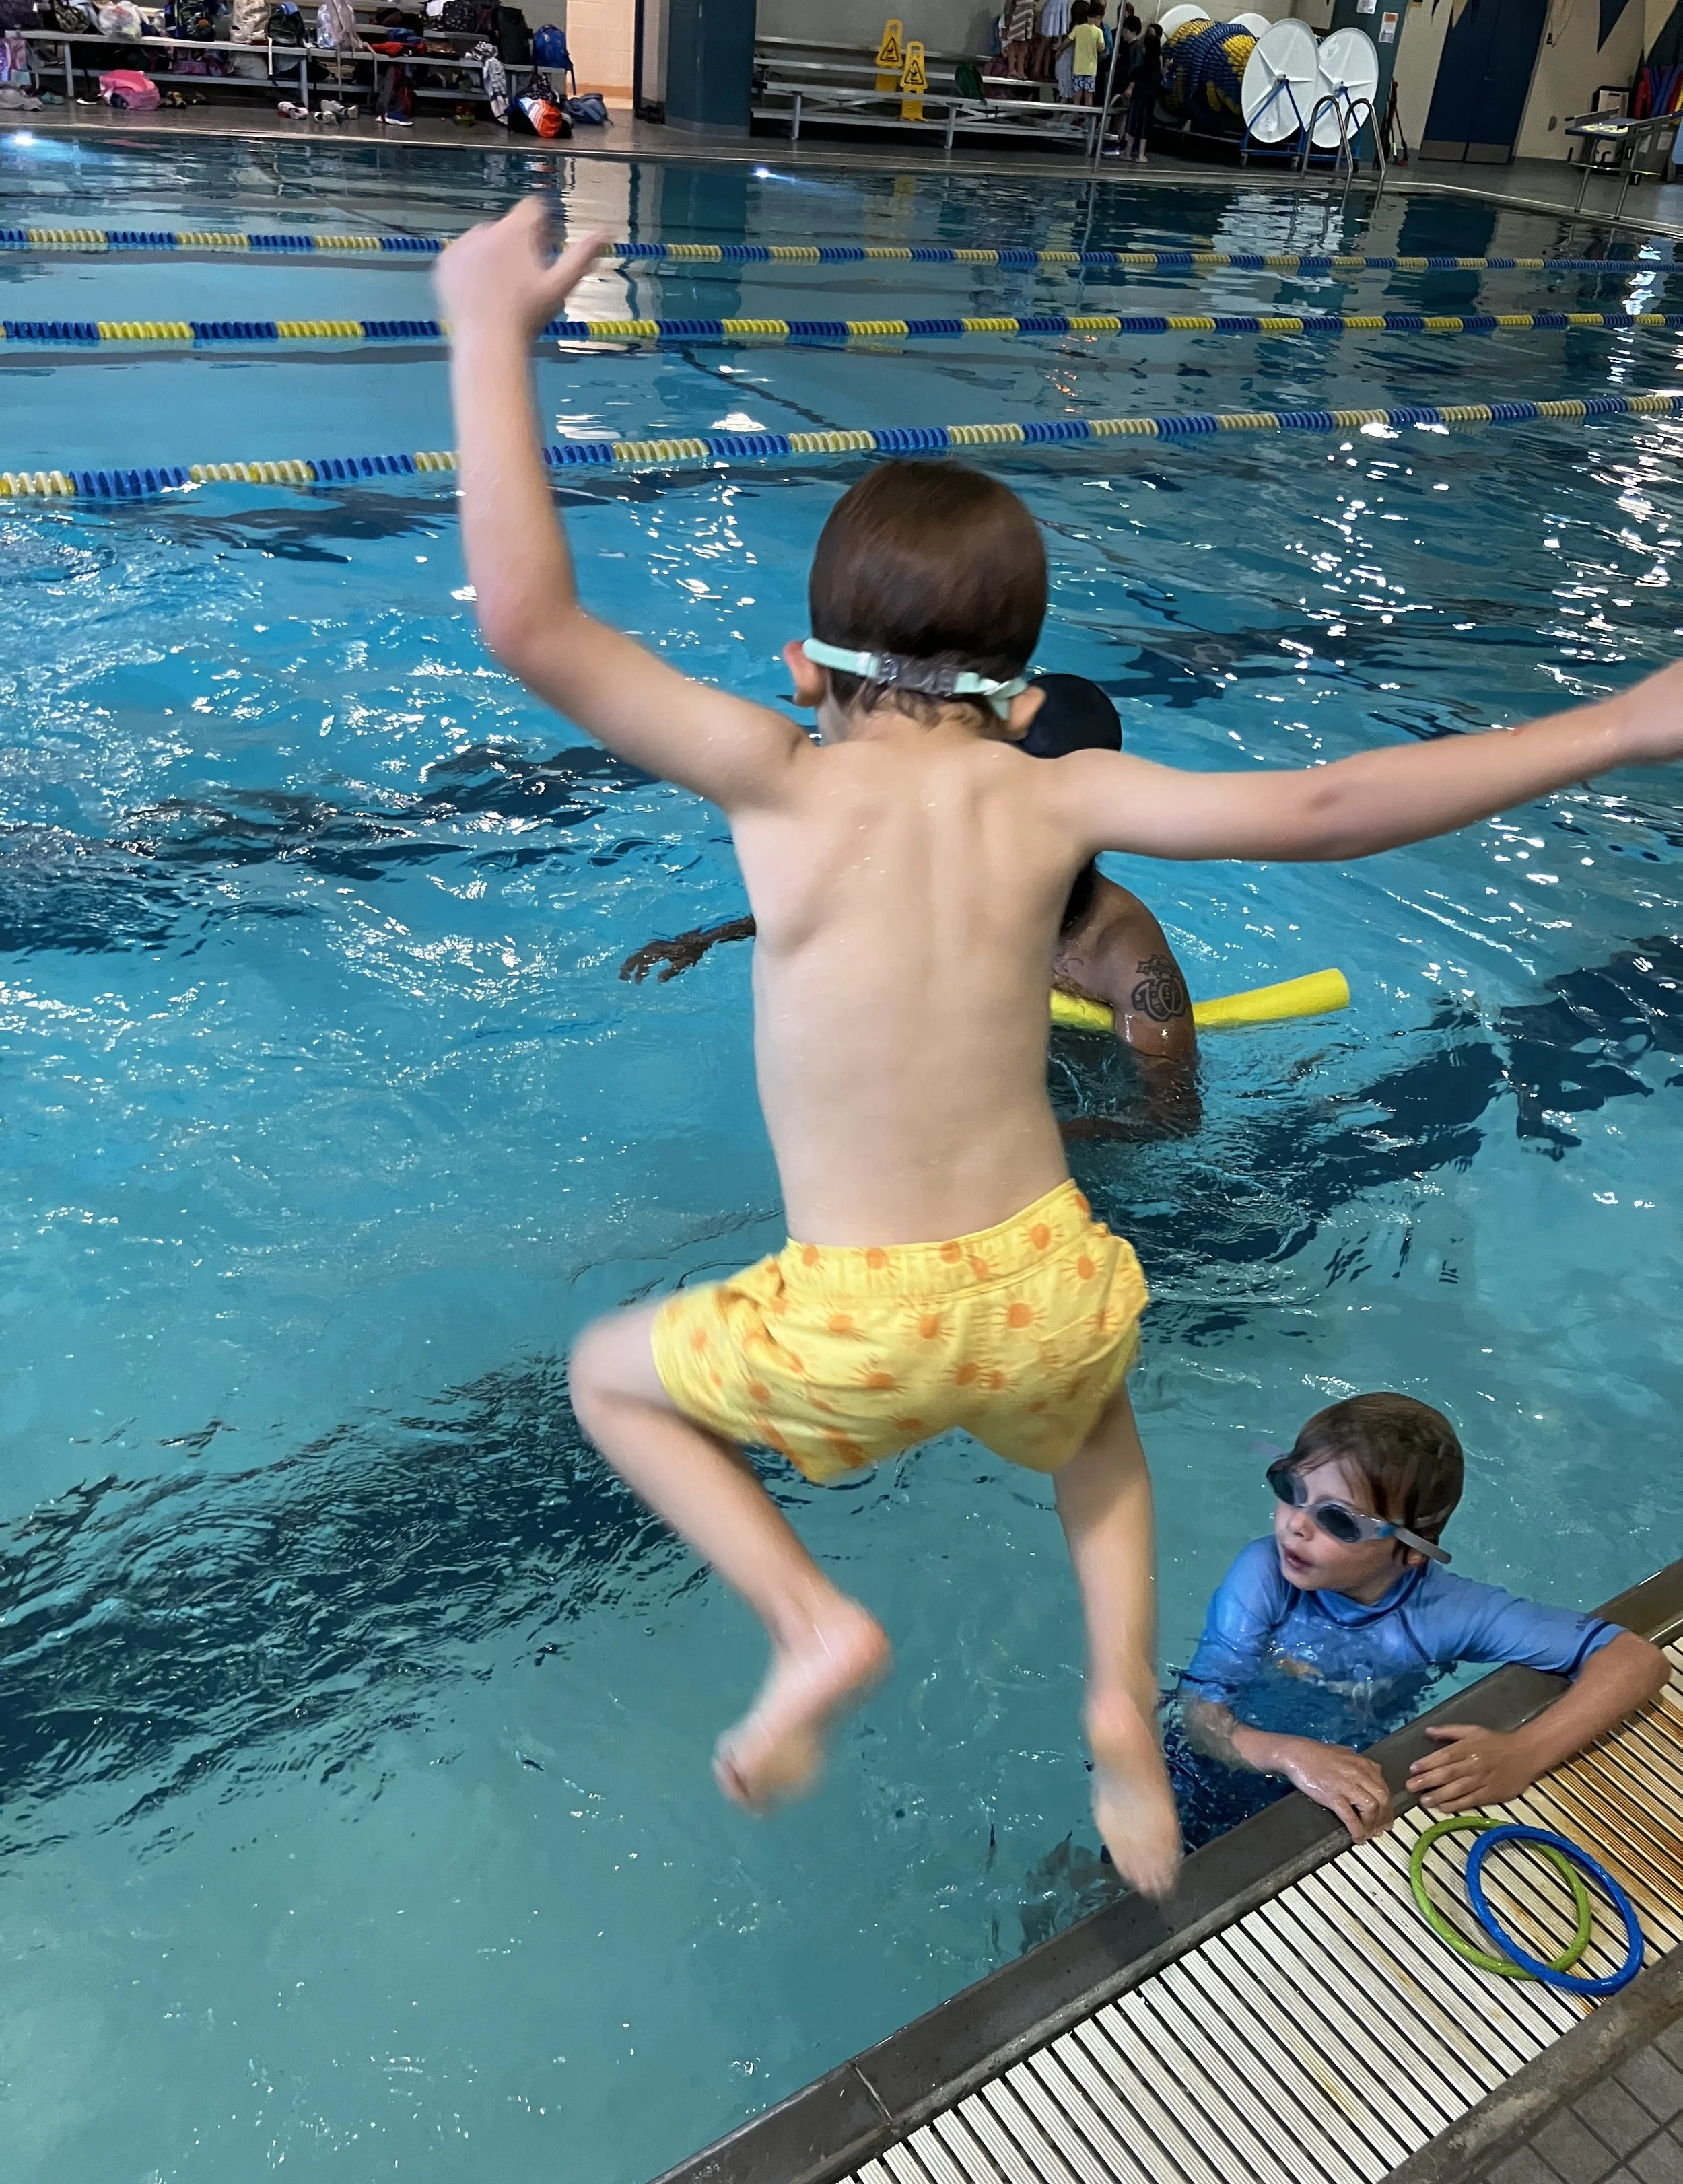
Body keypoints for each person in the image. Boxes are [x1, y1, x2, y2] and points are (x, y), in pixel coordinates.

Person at [436, 199, 1683, 1897]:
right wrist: (1621, 720)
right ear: (1022, 700)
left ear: (804, 668)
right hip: (1045, 1277)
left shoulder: (772, 778)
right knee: (1096, 1448)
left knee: (604, 1373)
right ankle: (1115, 1714)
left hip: (854, 1315)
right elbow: (1327, 804)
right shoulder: (1060, 796)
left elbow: (527, 619)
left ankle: (808, 1624)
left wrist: (484, 331)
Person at [621, 674, 1201, 1141]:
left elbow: (1173, 1115)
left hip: (1064, 1118)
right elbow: (843, 895)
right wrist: (705, 938)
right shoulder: (952, 861)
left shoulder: (1121, 950)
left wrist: (1031, 1138)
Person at [1178, 1394, 1670, 1841]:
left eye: (1338, 1519)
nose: (1297, 1524)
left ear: (1413, 1549)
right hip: (1223, 1755)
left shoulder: (1444, 1613)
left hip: (1351, 1763)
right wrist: (1288, 1753)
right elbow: (1200, 1712)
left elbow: (1637, 1660)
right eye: (1291, 1488)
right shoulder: (1263, 1571)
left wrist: (1524, 1752)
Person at [1117, 17, 1159, 159]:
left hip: (1138, 93)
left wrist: (1130, 86)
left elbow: (1135, 71)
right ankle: (1139, 153)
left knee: (1132, 121)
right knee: (1142, 124)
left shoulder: (1140, 59)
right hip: (1148, 95)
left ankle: (1127, 150)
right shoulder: (1155, 65)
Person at [1068, 0, 1104, 103]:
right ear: (1098, 18)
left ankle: (1075, 112)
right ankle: (1087, 113)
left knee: (1077, 95)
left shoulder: (1078, 28)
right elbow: (1101, 48)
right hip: (1091, 69)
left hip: (1078, 68)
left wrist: (1059, 50)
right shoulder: (1099, 32)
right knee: (1088, 96)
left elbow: (1068, 41)